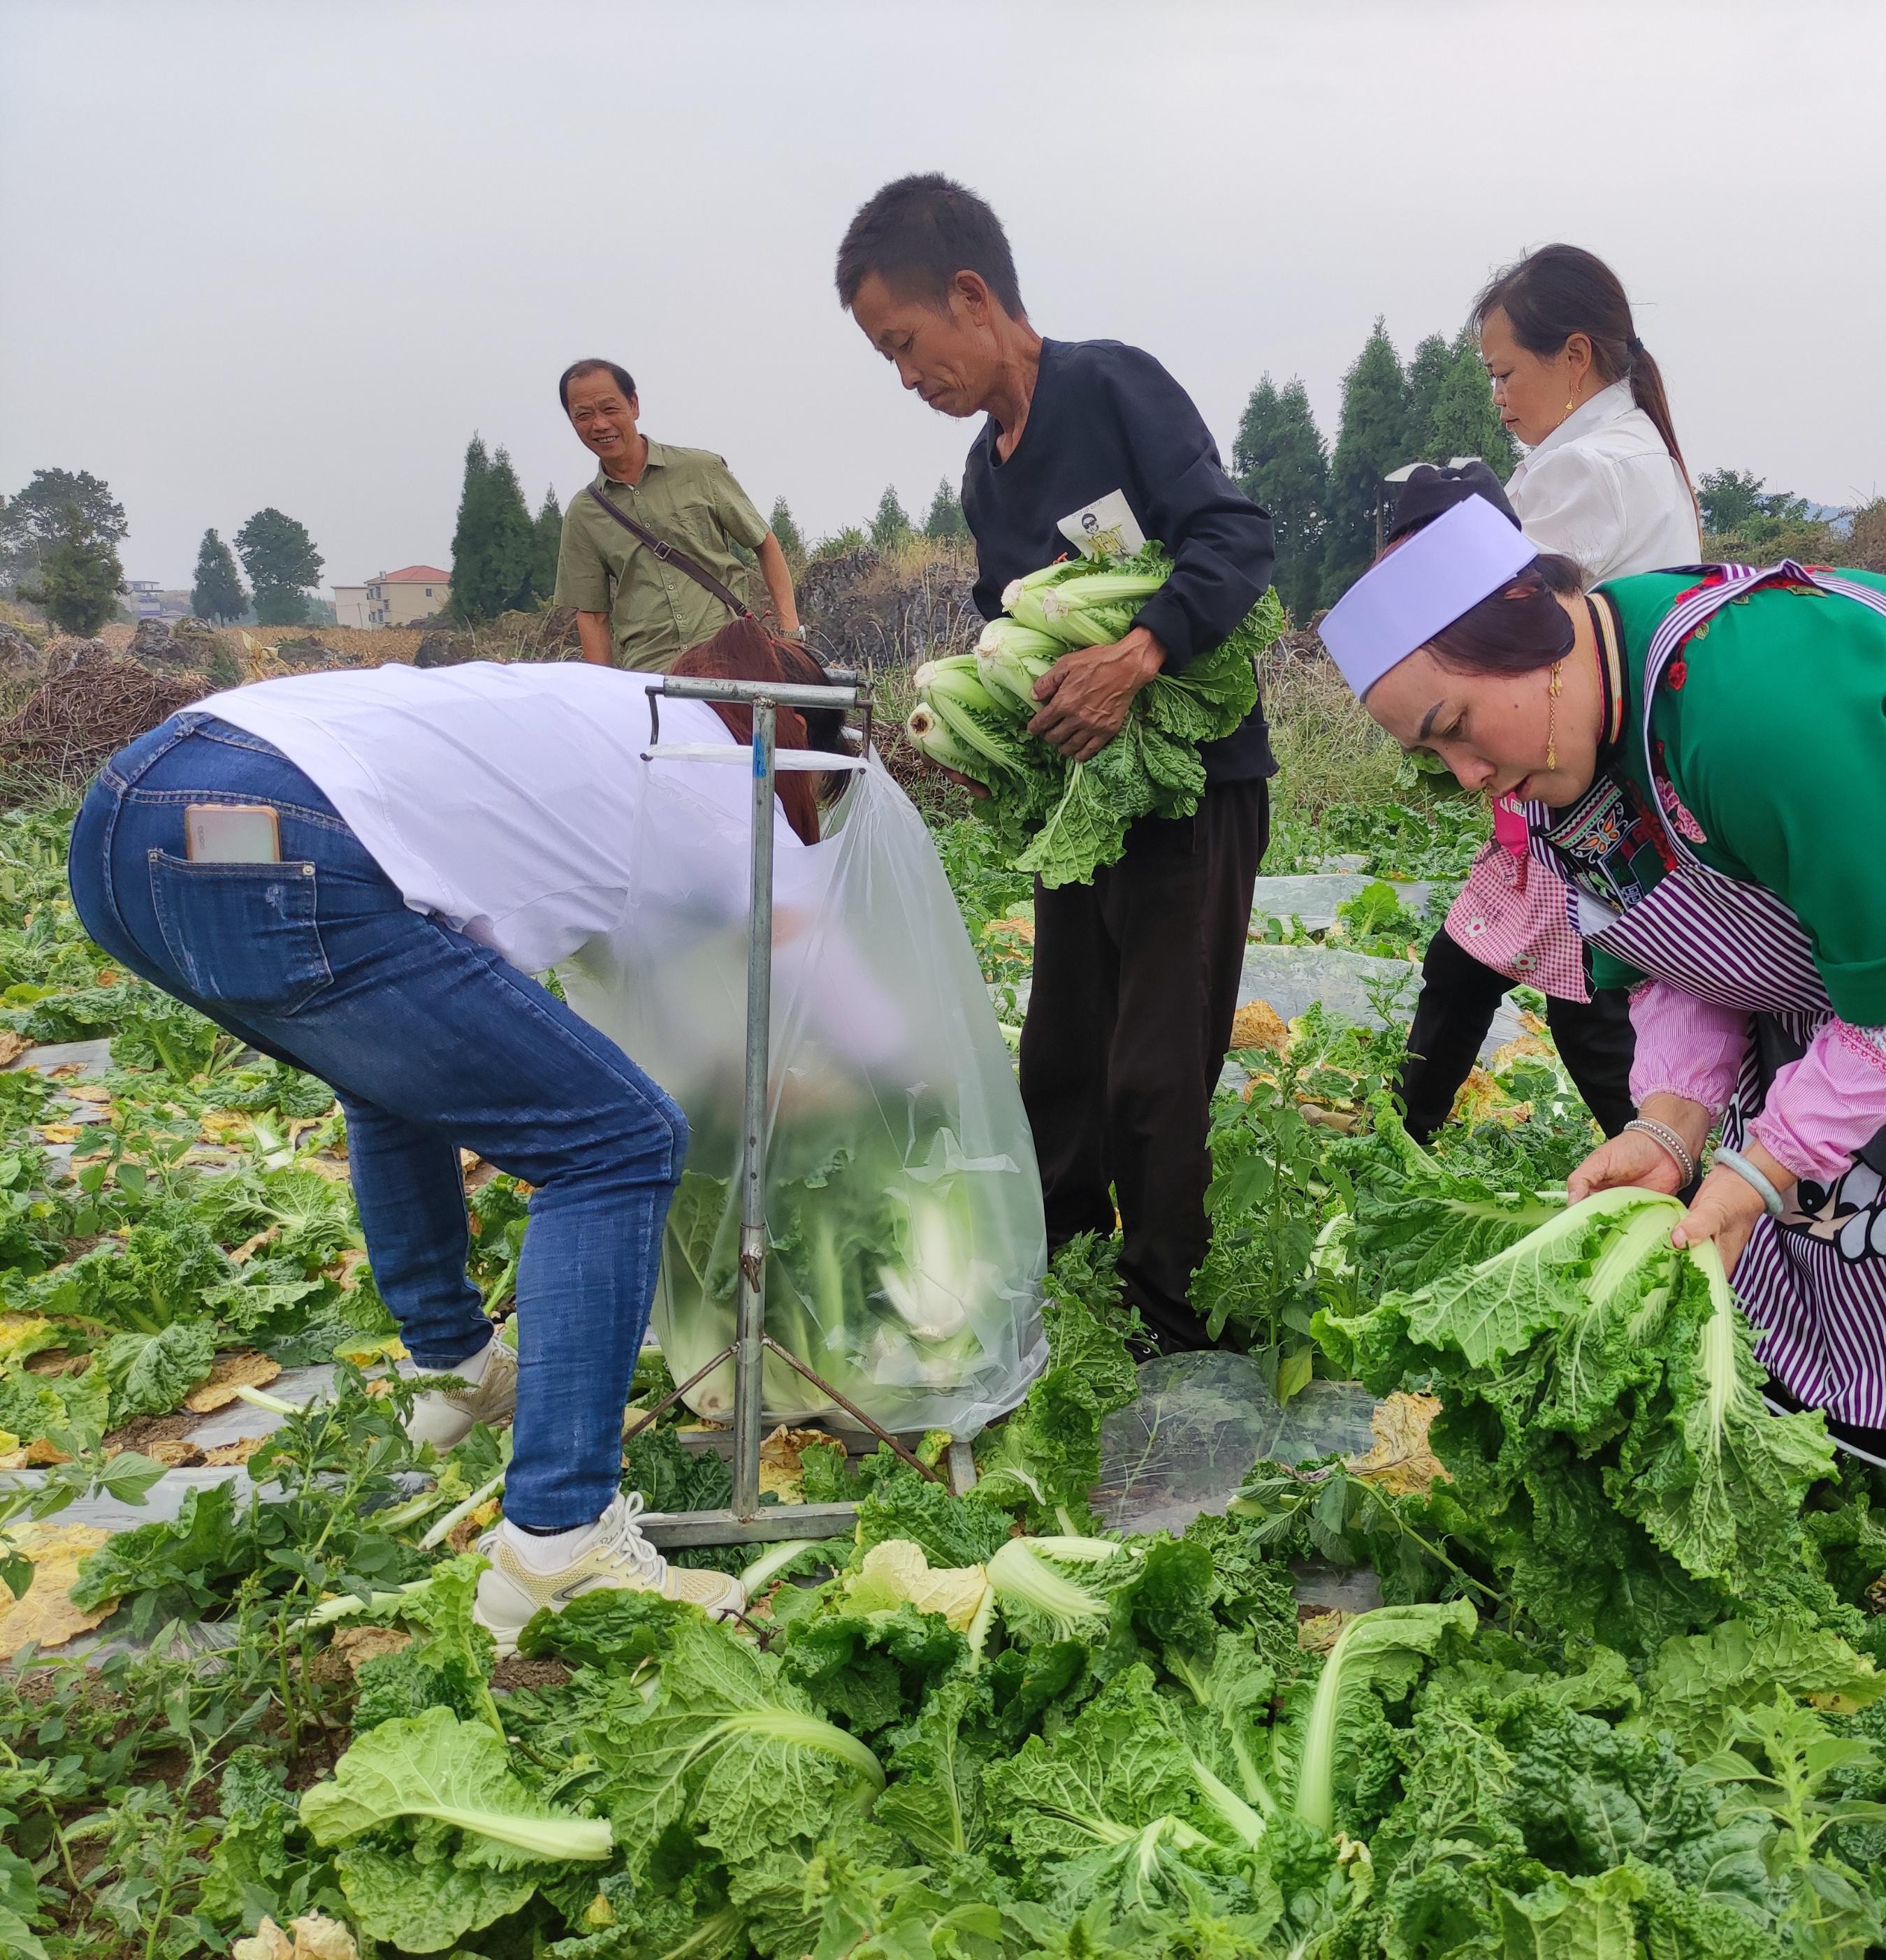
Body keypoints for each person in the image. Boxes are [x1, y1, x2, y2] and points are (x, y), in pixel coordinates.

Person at [1318, 497, 1886, 1670]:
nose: (1465, 774)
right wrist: (1672, 1123)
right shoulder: (1559, 752)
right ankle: (1851, 1495)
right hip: (1879, 889)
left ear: (1538, 623)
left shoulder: (1755, 705)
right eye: (1430, 756)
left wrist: (1759, 1165)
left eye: (1456, 726)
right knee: (1818, 1198)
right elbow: (1686, 944)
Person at [65, 621, 856, 1643]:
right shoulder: (716, 768)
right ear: (789, 742)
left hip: (137, 824)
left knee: (393, 1075)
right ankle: (560, 1546)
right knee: (616, 1143)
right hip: (277, 833)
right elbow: (800, 996)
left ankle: (457, 1369)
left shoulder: (601, 707)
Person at [835, 173, 1275, 1353]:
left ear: (971, 297)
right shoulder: (988, 472)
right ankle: (1070, 1278)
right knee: (1065, 1054)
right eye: (886, 357)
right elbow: (1003, 627)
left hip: (1189, 782)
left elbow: (1233, 539)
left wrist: (1139, 654)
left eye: (905, 343)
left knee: (1155, 1065)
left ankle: (1172, 1315)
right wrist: (984, 736)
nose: (907, 374)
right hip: (1087, 799)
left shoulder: (1111, 386)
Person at [1397, 247, 1699, 1145]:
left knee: (1578, 999)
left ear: (1573, 357)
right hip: (1604, 773)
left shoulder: (1584, 472)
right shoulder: (1633, 452)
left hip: (1586, 780)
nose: (1496, 394)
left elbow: (1491, 636)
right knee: (1479, 969)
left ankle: (1672, 1182)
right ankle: (1400, 1139)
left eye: (1504, 372)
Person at [552, 358, 804, 672]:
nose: (599, 424)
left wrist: (790, 632)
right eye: (583, 415)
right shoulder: (584, 513)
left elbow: (764, 543)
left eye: (610, 409)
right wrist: (604, 692)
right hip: (651, 673)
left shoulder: (701, 470)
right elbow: (592, 615)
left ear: (634, 405)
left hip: (729, 655)